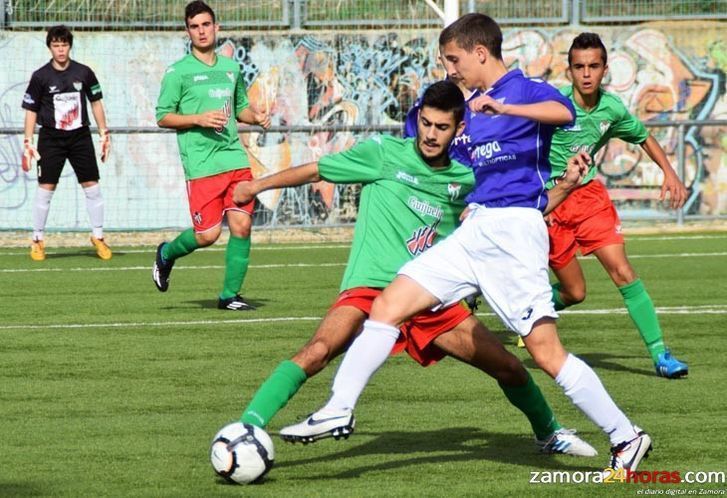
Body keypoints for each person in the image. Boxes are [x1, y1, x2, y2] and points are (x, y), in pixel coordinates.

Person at [281, 14, 653, 474]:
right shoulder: (471, 108)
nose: (449, 68)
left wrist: (507, 110)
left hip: (515, 233)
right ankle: (339, 407)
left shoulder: (522, 89)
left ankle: (626, 436)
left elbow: (564, 113)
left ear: (481, 53)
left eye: (454, 59)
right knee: (389, 303)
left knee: (545, 352)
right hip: (477, 229)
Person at [232, 80, 596, 456]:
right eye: (426, 123)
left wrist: (567, 186)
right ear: (417, 119)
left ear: (459, 130)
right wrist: (255, 186)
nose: (431, 135)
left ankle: (549, 433)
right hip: (372, 287)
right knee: (318, 350)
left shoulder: (467, 179)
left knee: (509, 367)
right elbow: (315, 171)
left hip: (428, 295)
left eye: (441, 127)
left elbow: (518, 213)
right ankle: (246, 428)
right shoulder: (384, 155)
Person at [543, 32, 688, 378]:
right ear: (570, 70)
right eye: (579, 67)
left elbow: (642, 136)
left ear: (605, 69)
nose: (587, 73)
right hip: (551, 203)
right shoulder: (553, 106)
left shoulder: (612, 109)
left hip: (590, 199)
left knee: (623, 271)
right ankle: (537, 312)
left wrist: (670, 172)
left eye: (593, 66)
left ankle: (660, 355)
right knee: (574, 292)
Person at [153, 0, 270, 311]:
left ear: (216, 28)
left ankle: (229, 296)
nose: (201, 31)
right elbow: (163, 116)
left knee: (242, 226)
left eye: (206, 25)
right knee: (207, 236)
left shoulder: (231, 69)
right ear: (188, 31)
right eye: (195, 26)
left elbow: (240, 108)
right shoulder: (178, 72)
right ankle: (166, 253)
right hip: (202, 164)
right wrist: (198, 118)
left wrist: (255, 116)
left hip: (234, 158)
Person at [21, 25, 112, 262]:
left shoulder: (84, 72)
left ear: (70, 46)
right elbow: (31, 110)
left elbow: (96, 102)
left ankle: (98, 237)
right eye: (56, 45)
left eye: (64, 45)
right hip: (51, 138)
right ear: (50, 47)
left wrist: (104, 132)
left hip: (80, 136)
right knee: (46, 188)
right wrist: (28, 140)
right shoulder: (40, 76)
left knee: (92, 186)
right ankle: (38, 239)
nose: (60, 50)